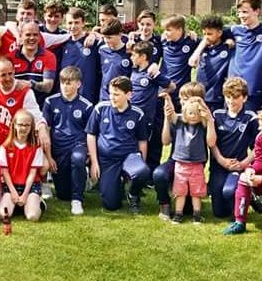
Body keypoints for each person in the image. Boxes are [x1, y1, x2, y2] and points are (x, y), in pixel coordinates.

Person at [87, 77, 151, 213]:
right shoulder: (100, 108)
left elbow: (142, 140)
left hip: (129, 157)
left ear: (128, 95)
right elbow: (91, 135)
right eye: (110, 93)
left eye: (116, 94)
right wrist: (94, 162)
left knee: (142, 171)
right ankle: (117, 185)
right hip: (108, 160)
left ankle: (133, 194)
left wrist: (142, 163)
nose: (112, 97)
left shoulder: (137, 114)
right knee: (110, 204)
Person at [224, 106, 262, 235]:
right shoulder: (261, 138)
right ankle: (240, 222)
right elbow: (260, 160)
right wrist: (251, 169)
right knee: (243, 179)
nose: (259, 129)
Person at [43, 67, 94, 215]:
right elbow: (46, 130)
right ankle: (80, 180)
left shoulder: (87, 106)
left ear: (78, 84)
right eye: (63, 82)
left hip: (78, 145)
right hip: (58, 149)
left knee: (78, 158)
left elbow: (90, 133)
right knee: (63, 195)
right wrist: (49, 156)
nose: (65, 86)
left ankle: (77, 200)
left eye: (69, 83)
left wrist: (89, 155)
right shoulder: (50, 102)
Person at [209, 78, 258, 219]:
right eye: (228, 97)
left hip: (238, 166)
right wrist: (221, 160)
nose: (231, 101)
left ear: (245, 98)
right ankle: (247, 197)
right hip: (219, 165)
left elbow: (258, 147)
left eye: (236, 97)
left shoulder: (250, 118)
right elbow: (212, 143)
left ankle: (248, 194)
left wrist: (243, 163)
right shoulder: (217, 115)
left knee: (229, 192)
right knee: (219, 213)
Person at [162, 96, 216, 224]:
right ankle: (178, 214)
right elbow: (171, 112)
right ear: (185, 112)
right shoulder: (180, 121)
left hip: (197, 165)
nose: (193, 116)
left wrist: (201, 103)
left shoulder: (202, 126)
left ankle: (197, 215)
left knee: (196, 193)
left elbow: (207, 120)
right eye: (190, 113)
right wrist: (168, 99)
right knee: (180, 192)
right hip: (180, 165)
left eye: (196, 113)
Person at [129, 41, 175, 173]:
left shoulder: (152, 74)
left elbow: (171, 85)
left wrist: (161, 93)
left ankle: (147, 173)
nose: (131, 58)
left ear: (143, 57)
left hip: (147, 118)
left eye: (134, 55)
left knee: (147, 145)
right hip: (132, 116)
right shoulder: (134, 71)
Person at [0, 109, 46, 222]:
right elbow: (5, 172)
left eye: (27, 125)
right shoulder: (5, 147)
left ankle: (37, 202)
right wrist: (13, 192)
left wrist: (25, 194)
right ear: (14, 125)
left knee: (32, 216)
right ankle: (18, 204)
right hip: (11, 185)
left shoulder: (36, 147)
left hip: (30, 186)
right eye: (20, 125)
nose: (23, 128)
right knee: (4, 215)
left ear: (31, 127)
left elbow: (32, 173)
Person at [56, 7, 101, 102]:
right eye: (70, 23)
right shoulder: (62, 43)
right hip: (66, 96)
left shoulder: (92, 43)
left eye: (76, 22)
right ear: (65, 24)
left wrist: (93, 34)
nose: (73, 26)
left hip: (87, 96)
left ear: (83, 23)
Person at [12, 22, 58, 108]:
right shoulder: (11, 57)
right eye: (28, 35)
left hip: (39, 109)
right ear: (21, 36)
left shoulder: (49, 56)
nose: (32, 38)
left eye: (35, 35)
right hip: (16, 108)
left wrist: (31, 84)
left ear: (40, 37)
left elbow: (48, 86)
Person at [192, 16, 234, 112]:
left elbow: (232, 29)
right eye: (204, 34)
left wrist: (229, 38)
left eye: (210, 34)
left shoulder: (227, 47)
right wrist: (202, 44)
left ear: (219, 33)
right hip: (200, 95)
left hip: (216, 97)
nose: (206, 37)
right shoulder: (202, 46)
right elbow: (192, 62)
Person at [97, 20, 132, 103]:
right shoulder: (102, 50)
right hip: (105, 97)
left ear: (120, 35)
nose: (106, 40)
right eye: (104, 37)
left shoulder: (129, 52)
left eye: (109, 37)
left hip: (122, 97)